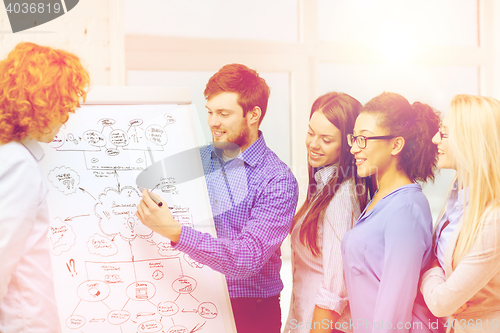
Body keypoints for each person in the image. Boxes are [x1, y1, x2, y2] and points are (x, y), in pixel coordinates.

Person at [136, 63, 299, 333]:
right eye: (210, 112)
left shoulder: (277, 180)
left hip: (250, 312)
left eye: (223, 113)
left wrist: (173, 231)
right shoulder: (200, 160)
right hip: (195, 299)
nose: (213, 122)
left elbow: (247, 259)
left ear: (253, 115)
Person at [0, 42, 90, 332]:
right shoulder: (17, 163)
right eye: (60, 104)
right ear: (35, 103)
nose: (66, 116)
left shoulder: (9, 154)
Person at [341, 92, 441, 333]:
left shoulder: (406, 210)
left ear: (396, 145)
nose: (354, 148)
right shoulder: (380, 198)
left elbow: (393, 316)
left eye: (363, 139)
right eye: (354, 138)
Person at [283, 92, 371, 333]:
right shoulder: (324, 186)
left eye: (326, 139)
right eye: (311, 132)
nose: (313, 144)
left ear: (347, 144)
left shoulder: (342, 196)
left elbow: (335, 289)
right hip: (305, 320)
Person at [420, 94, 500, 333]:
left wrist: (428, 269)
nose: (435, 139)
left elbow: (441, 302)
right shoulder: (457, 196)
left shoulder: (493, 219)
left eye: (444, 134)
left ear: (470, 141)